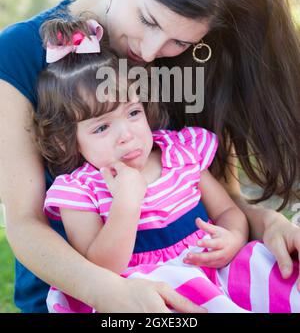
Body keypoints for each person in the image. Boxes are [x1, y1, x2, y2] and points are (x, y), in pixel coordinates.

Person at [0, 0, 299, 313]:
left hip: (203, 276)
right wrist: (113, 294)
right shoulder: (16, 54)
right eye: (148, 20)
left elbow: (218, 195)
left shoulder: (194, 57)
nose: (151, 52)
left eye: (179, 42)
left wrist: (266, 223)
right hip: (89, 294)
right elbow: (24, 223)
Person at [36, 16, 300, 313]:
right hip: (148, 295)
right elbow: (101, 267)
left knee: (279, 279)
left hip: (217, 271)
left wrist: (234, 236)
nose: (126, 135)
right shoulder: (80, 191)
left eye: (133, 113)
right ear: (67, 141)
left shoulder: (178, 154)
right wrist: (127, 202)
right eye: (101, 128)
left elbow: (226, 210)